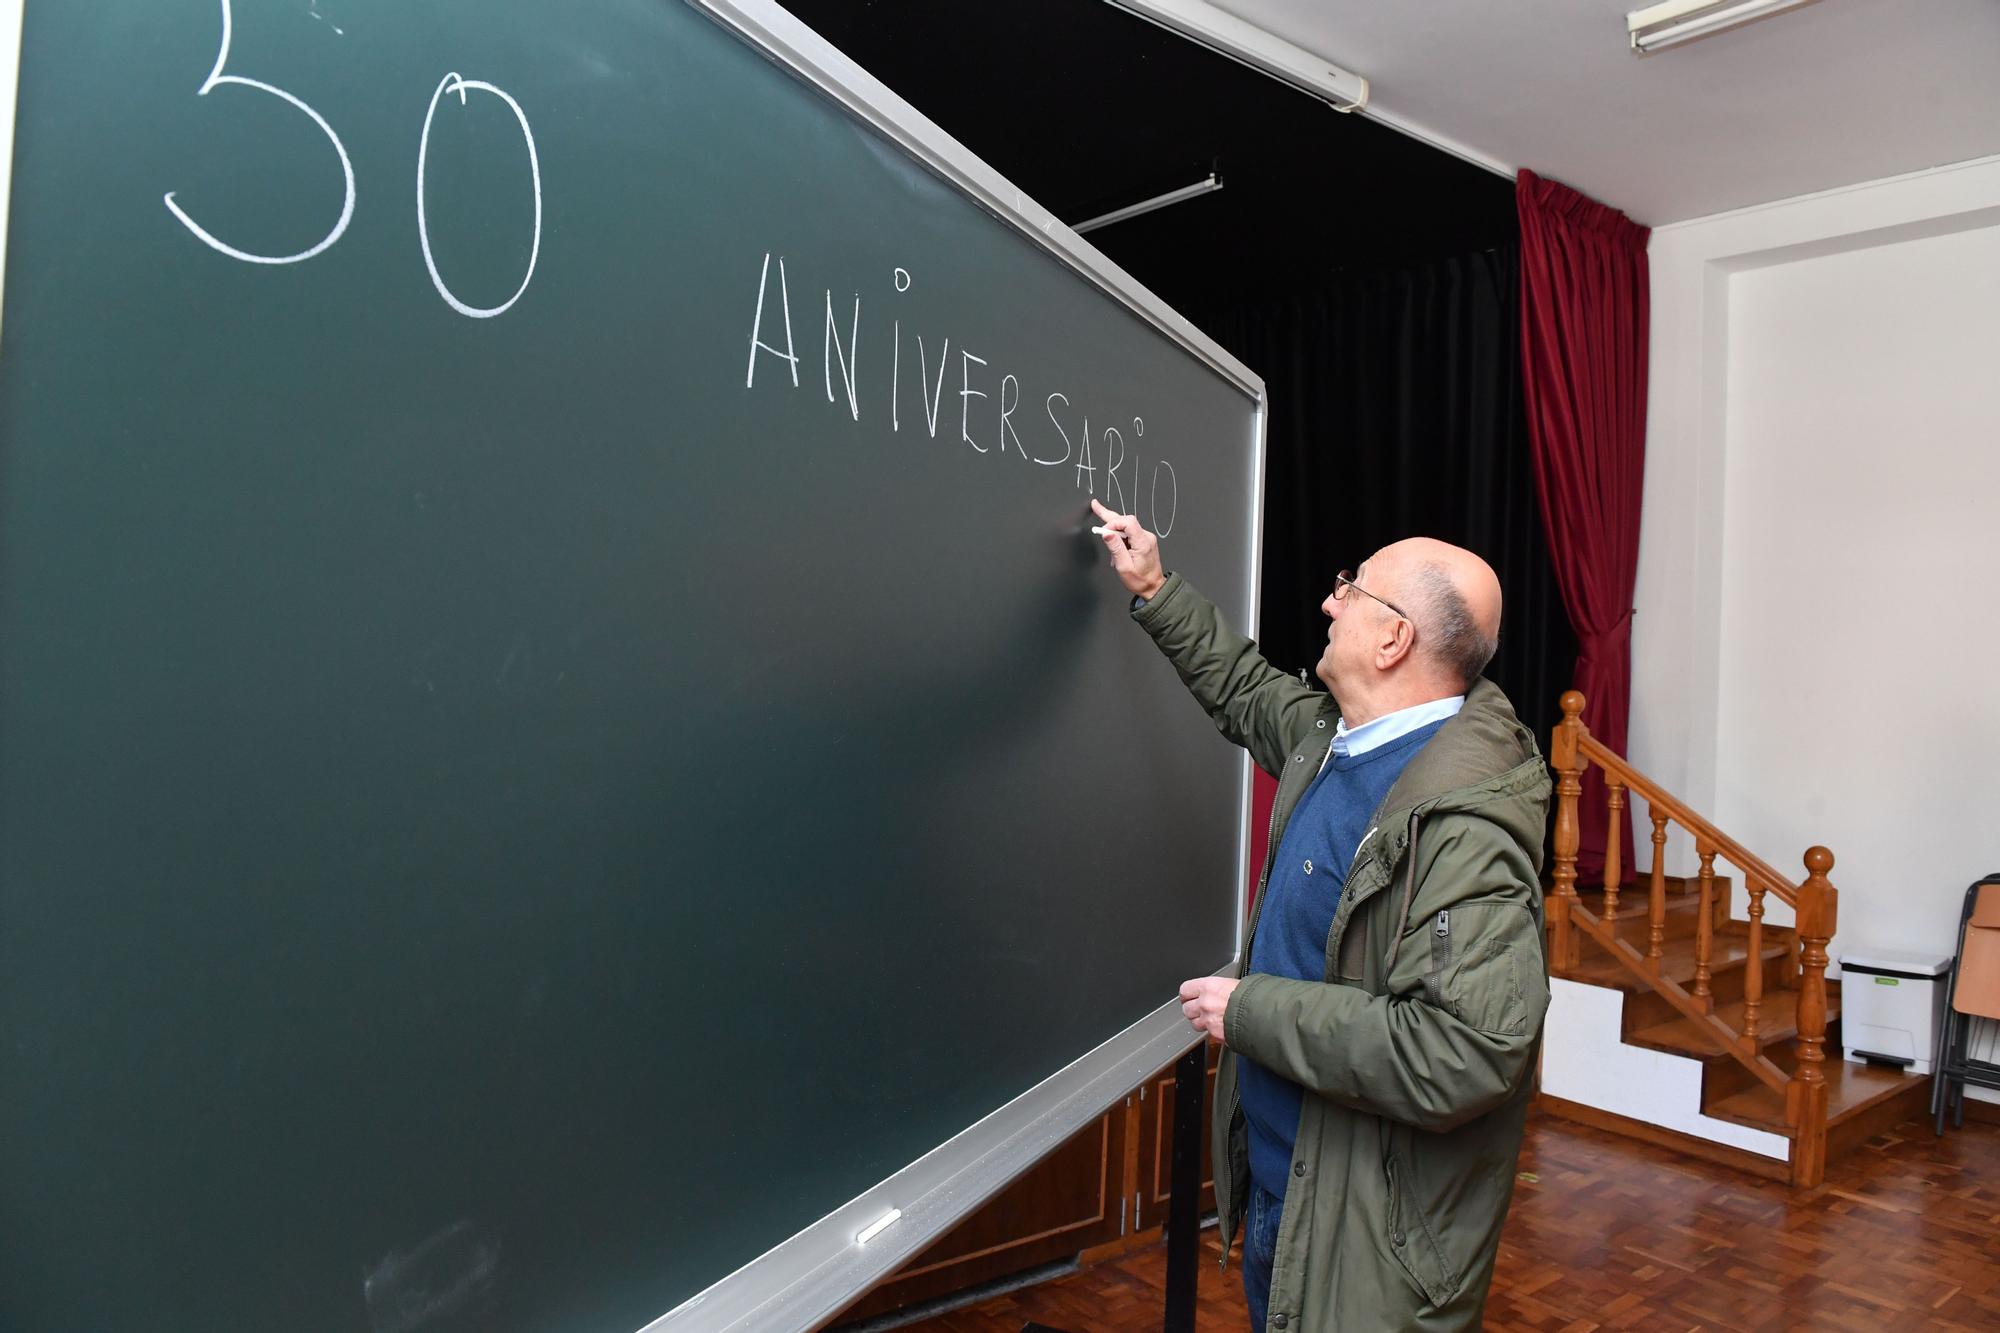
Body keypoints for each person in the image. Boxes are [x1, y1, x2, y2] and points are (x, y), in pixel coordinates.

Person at [1088, 497, 1551, 1332]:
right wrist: (1155, 587)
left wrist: (1254, 1008)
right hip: (1289, 1188)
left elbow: (1467, 1052)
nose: (1331, 599)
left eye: (1353, 588)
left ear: (1393, 639)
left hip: (1365, 1237)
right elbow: (1242, 686)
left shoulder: (1464, 823)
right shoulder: (1335, 742)